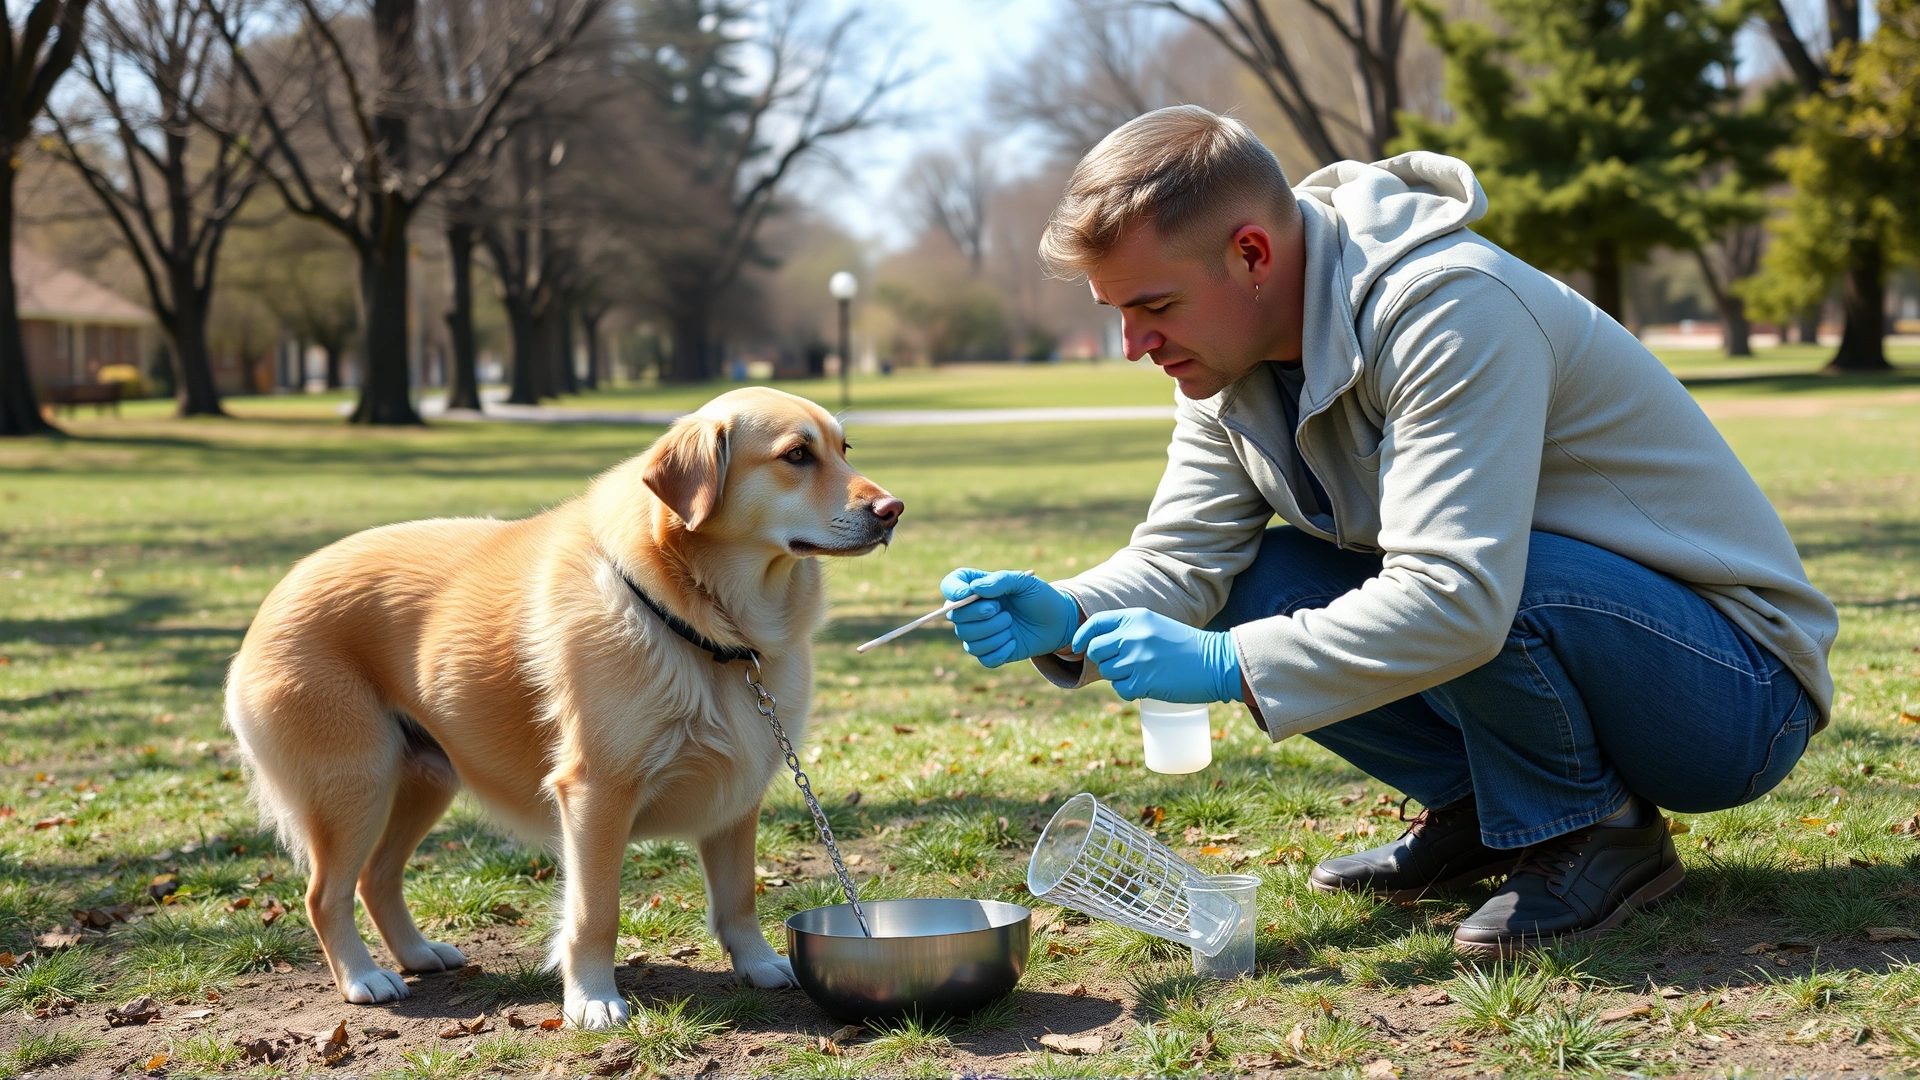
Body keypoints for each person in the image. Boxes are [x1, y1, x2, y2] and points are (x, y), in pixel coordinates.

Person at [941, 106, 1836, 957]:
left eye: (1156, 306)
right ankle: (1485, 811)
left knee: (1468, 577)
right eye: (1118, 314)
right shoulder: (1227, 362)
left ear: (1251, 253)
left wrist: (1230, 667)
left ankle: (1595, 832)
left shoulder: (1450, 305)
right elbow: (1187, 558)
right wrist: (1065, 610)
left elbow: (1459, 596)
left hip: (1734, 692)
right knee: (1255, 577)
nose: (1135, 343)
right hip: (1559, 630)